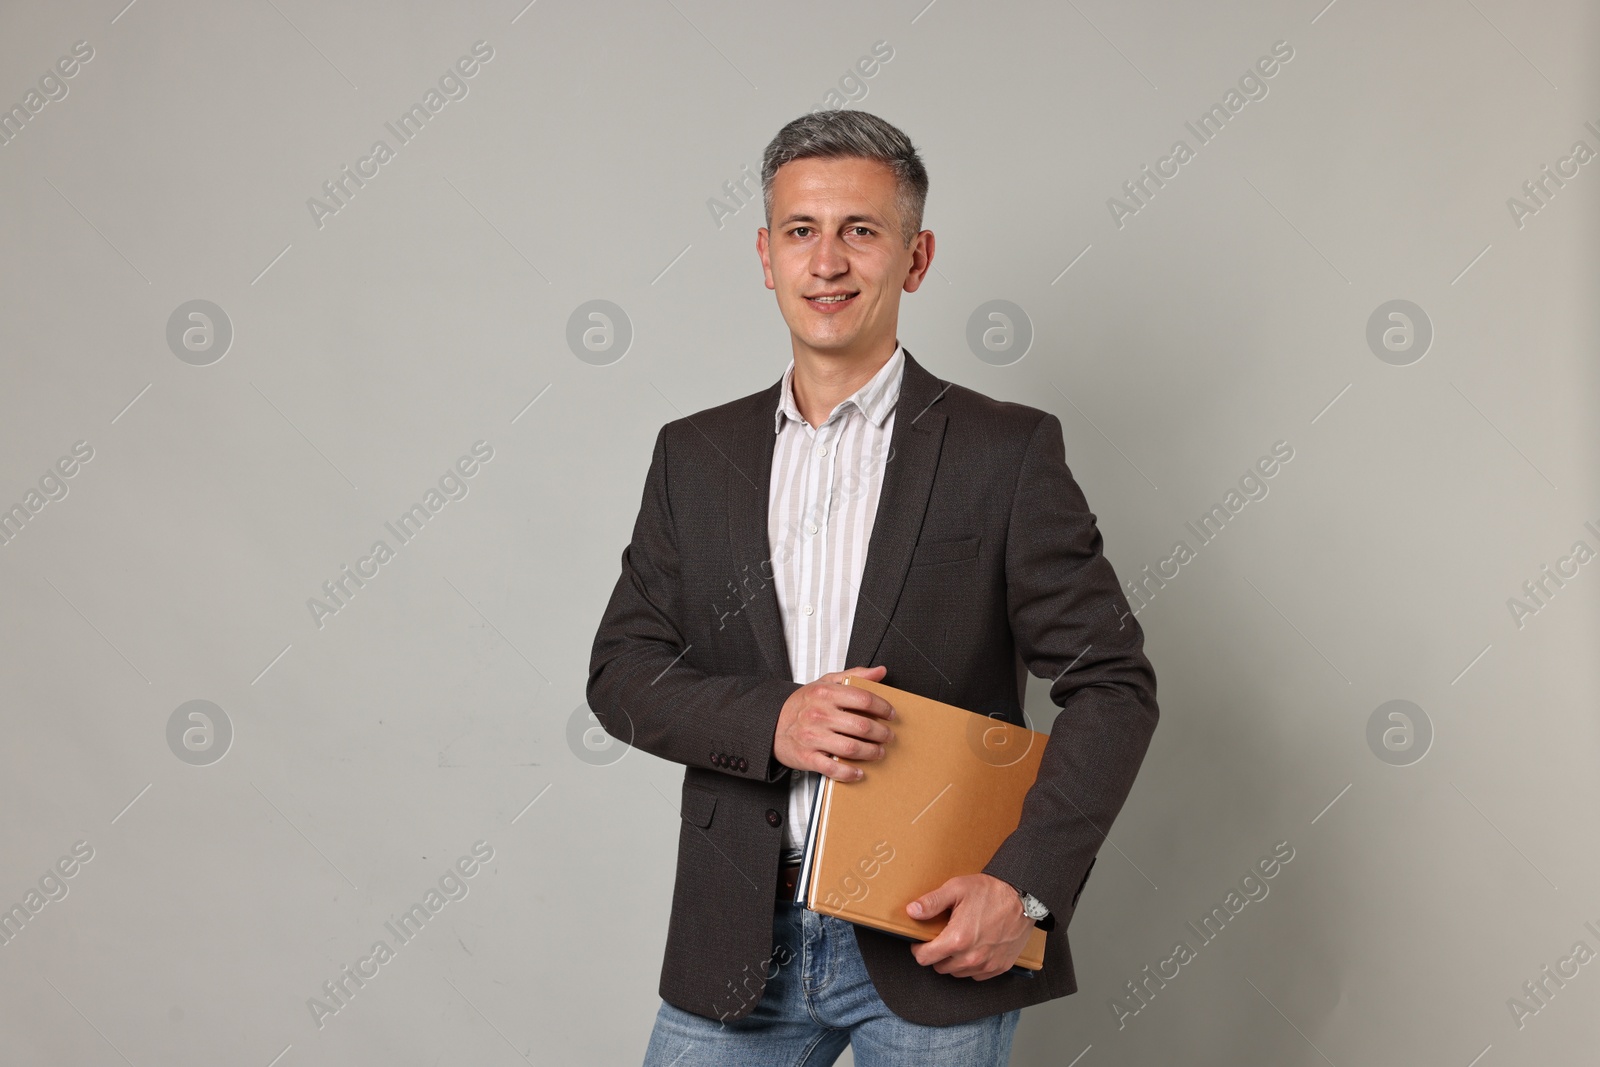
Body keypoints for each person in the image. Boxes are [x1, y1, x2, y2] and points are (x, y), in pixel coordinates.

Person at [587, 109, 1159, 1067]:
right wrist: (774, 720)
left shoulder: (1005, 453)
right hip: (735, 937)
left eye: (862, 230)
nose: (828, 262)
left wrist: (1021, 890)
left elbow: (1113, 686)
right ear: (765, 256)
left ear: (916, 256)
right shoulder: (695, 456)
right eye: (801, 231)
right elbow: (621, 673)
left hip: (935, 937)